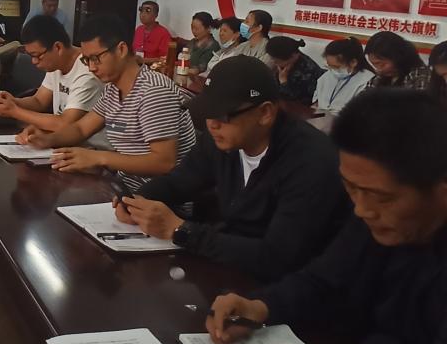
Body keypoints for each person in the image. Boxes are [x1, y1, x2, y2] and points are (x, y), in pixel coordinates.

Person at [207, 90, 447, 344]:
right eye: (351, 188)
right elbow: (324, 279)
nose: (362, 210)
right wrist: (261, 307)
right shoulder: (375, 217)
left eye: (381, 197)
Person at [116, 56, 347, 281]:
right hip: (230, 267)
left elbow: (278, 257)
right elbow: (180, 181)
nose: (212, 125)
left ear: (265, 113)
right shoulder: (223, 139)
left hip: (286, 286)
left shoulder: (310, 162)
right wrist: (136, 200)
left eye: (222, 115)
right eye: (207, 114)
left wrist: (181, 231)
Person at [25, 14, 196, 194]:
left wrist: (98, 158)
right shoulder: (113, 89)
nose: (91, 67)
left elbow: (163, 162)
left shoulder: (154, 91)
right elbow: (81, 129)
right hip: (124, 188)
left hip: (158, 198)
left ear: (121, 50)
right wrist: (48, 139)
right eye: (86, 60)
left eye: (96, 58)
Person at [0, 14, 102, 133]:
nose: (34, 61)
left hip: (84, 143)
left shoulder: (87, 71)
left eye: (37, 56)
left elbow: (65, 124)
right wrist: (13, 102)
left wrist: (14, 111)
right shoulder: (56, 64)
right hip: (60, 138)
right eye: (31, 56)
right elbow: (39, 101)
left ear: (58, 47)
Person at [313, 37, 373, 113]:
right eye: (329, 66)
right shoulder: (326, 77)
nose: (332, 70)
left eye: (336, 67)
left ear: (353, 62)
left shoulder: (368, 83)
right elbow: (316, 103)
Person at [265, 35, 324, 106]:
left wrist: (283, 81)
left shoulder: (307, 73)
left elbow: (291, 101)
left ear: (293, 56)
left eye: (277, 61)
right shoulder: (288, 59)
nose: (273, 62)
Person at [365, 30, 432, 91]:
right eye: (374, 65)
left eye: (382, 64)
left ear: (398, 57)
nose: (379, 70)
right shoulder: (379, 78)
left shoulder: (421, 76)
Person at [186, 11, 220, 75]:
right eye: (192, 27)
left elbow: (201, 68)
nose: (193, 31)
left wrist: (184, 70)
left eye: (197, 29)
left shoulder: (214, 46)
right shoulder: (192, 42)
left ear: (208, 28)